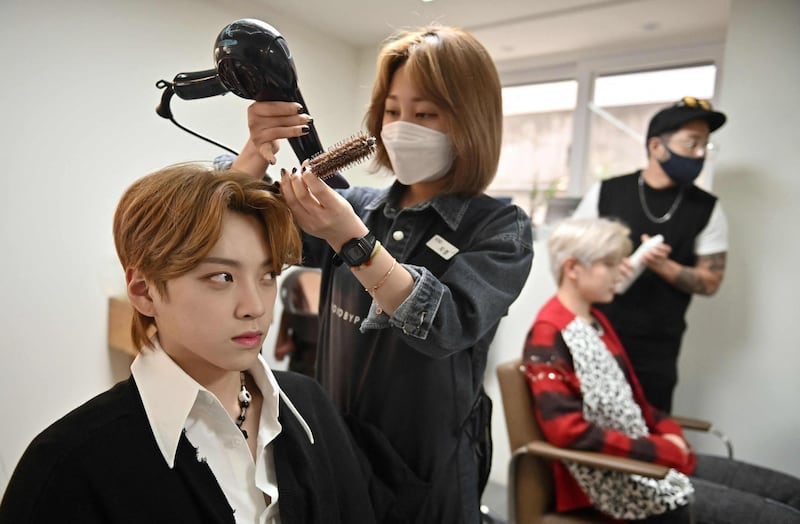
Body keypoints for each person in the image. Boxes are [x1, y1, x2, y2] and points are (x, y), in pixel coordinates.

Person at [228, 25, 534, 523]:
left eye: (425, 112)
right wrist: (254, 153)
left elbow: (445, 326)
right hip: (336, 446)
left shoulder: (499, 227)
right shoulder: (356, 206)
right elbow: (238, 235)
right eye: (392, 110)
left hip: (426, 471)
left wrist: (353, 241)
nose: (401, 125)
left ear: (471, 120)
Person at [0, 164, 375, 524]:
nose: (256, 307)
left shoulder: (309, 407)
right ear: (143, 291)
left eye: (267, 275)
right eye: (222, 277)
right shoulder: (68, 465)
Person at [522, 217, 800, 523]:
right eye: (610, 263)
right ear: (573, 268)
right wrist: (663, 450)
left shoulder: (595, 323)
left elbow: (635, 404)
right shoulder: (549, 333)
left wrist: (670, 434)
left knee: (792, 493)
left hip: (644, 462)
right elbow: (568, 432)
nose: (621, 271)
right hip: (618, 483)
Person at [572, 96, 729, 413]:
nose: (700, 154)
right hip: (594, 336)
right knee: (585, 432)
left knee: (646, 439)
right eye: (692, 144)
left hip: (657, 351)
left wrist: (663, 265)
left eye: (706, 146)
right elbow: (571, 258)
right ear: (657, 147)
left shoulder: (708, 209)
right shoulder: (607, 192)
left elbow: (710, 281)